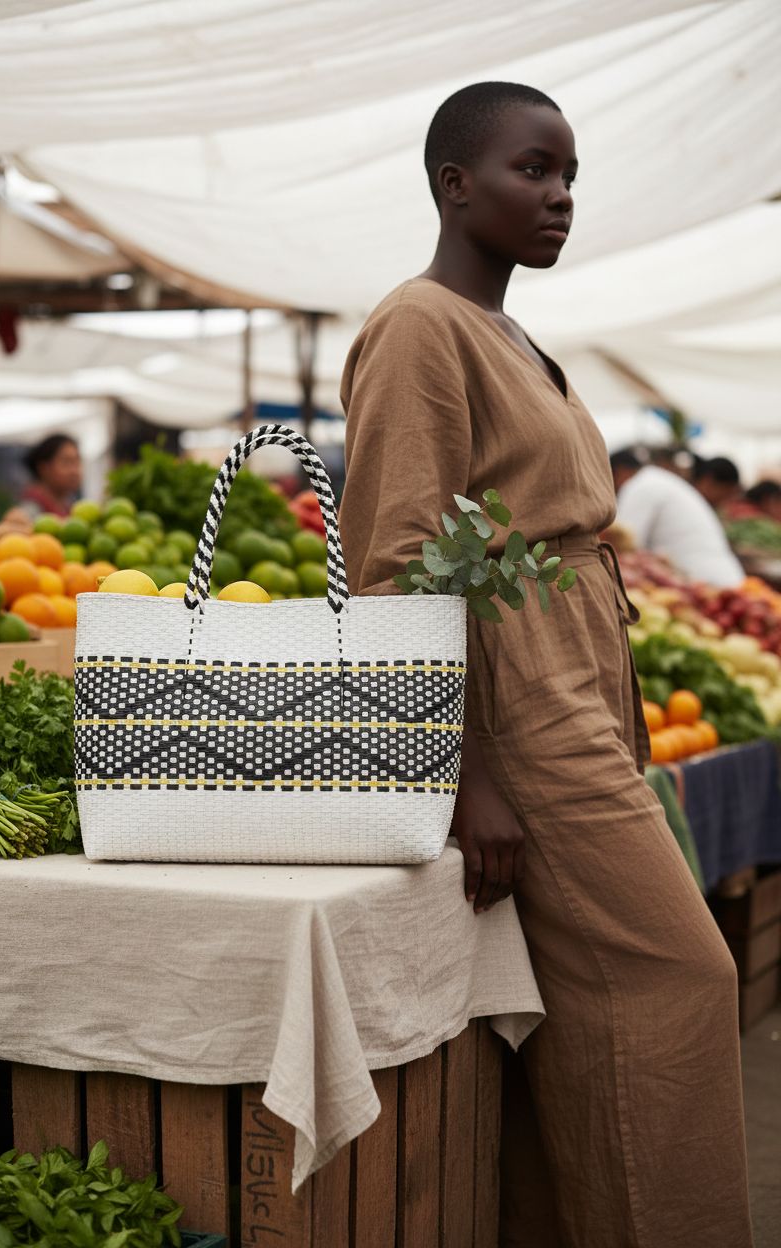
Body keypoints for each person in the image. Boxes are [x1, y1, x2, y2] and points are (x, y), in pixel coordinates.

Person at [338, 83, 752, 1247]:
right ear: (454, 184)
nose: (560, 196)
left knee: (568, 1013)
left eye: (569, 175)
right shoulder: (419, 326)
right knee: (679, 977)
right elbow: (398, 559)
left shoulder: (514, 333)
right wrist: (466, 767)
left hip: (579, 665)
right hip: (512, 687)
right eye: (533, 169)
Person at [611, 447, 745, 586]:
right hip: (716, 580)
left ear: (618, 472)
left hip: (705, 584)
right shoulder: (658, 481)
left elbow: (624, 544)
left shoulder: (640, 486)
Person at [20, 434, 82, 518]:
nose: (74, 471)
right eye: (66, 462)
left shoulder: (69, 505)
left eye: (77, 462)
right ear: (44, 468)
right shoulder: (30, 512)